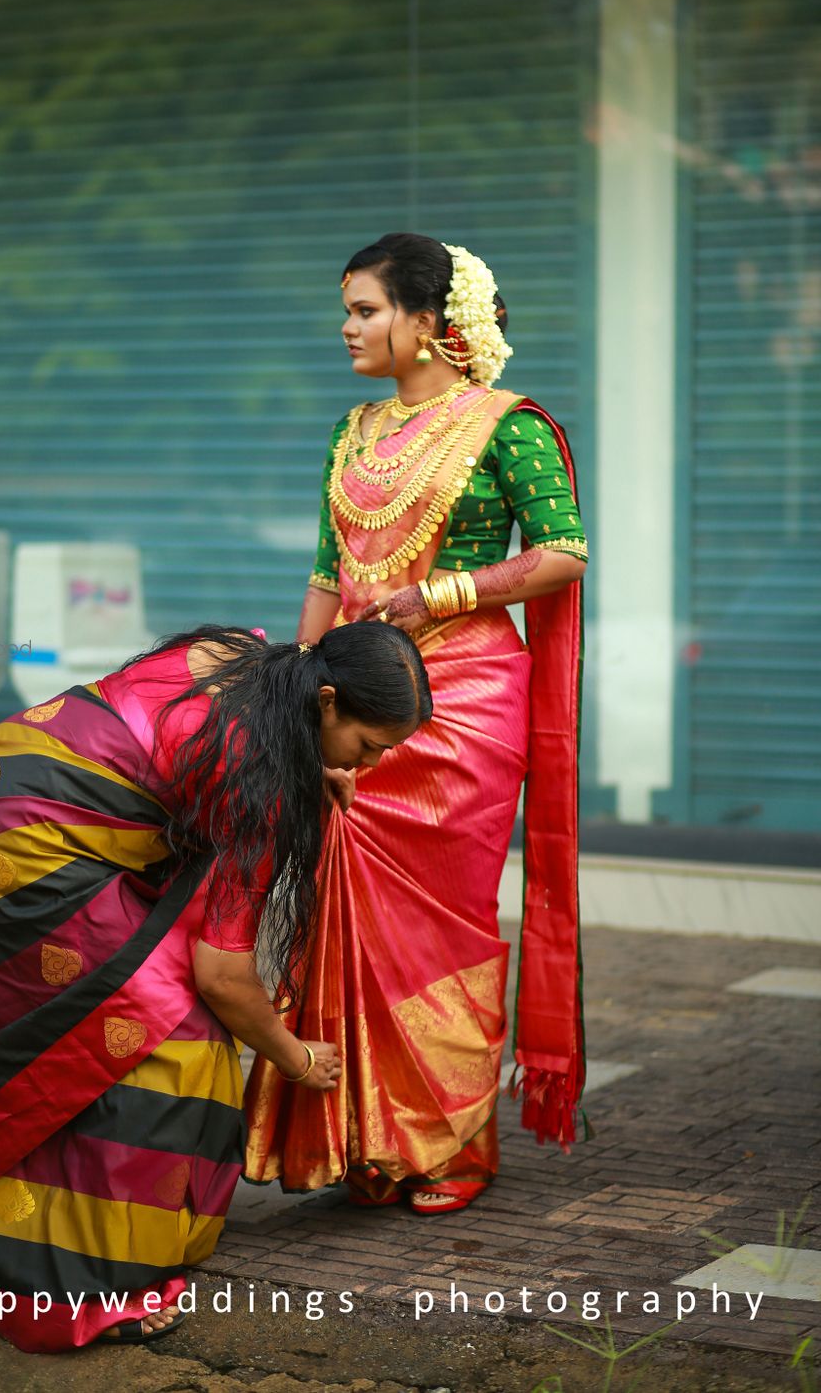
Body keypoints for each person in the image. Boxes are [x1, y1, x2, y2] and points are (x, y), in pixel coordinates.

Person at [0, 621, 431, 1352]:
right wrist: (294, 1058)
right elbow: (223, 977)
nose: (370, 765)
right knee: (161, 1040)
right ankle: (84, 1291)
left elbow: (172, 747)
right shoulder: (252, 777)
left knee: (74, 1039)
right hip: (27, 847)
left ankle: (51, 1229)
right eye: (368, 745)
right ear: (326, 702)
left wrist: (308, 767)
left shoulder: (247, 659)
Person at [244, 233, 588, 1214]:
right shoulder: (350, 431)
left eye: (364, 310)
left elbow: (563, 552)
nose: (345, 328)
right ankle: (362, 1139)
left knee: (439, 930)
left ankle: (450, 1147)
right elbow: (325, 573)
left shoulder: (506, 426)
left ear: (428, 325)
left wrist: (439, 595)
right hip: (354, 697)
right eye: (345, 311)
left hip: (463, 707)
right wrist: (292, 693)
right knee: (341, 913)